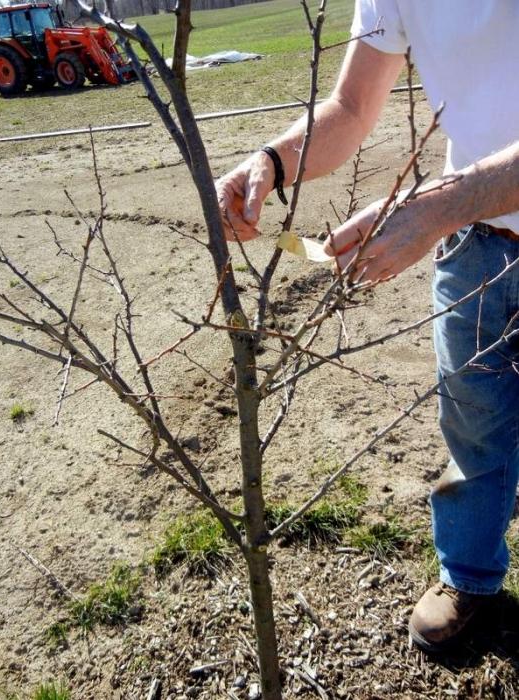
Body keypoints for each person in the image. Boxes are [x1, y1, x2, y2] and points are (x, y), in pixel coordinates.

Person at [216, 0, 519, 654]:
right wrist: (270, 160)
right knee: (472, 420)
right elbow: (351, 110)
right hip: (474, 246)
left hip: (455, 211)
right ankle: (469, 577)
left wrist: (436, 205)